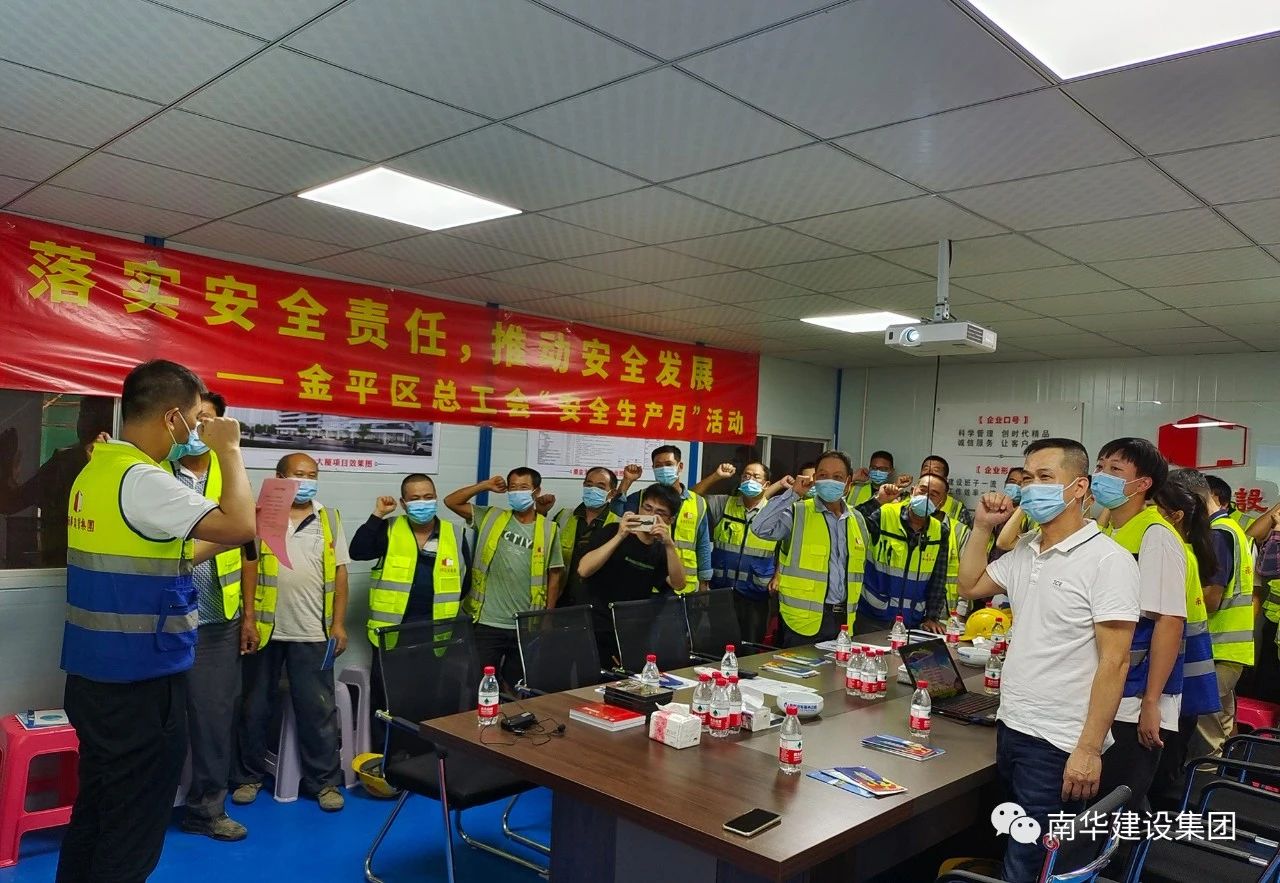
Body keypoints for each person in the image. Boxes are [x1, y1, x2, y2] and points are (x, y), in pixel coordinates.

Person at [58, 360, 255, 883]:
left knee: (96, 812)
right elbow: (241, 523)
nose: (198, 430)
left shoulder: (98, 470)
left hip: (93, 677)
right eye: (196, 419)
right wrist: (230, 450)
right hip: (140, 685)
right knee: (131, 832)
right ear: (173, 418)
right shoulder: (145, 480)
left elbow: (158, 556)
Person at [957, 437, 1139, 883]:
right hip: (1012, 726)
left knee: (1031, 866)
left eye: (1044, 477)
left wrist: (1089, 749)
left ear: (1078, 488)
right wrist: (980, 528)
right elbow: (970, 585)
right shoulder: (1027, 550)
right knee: (1008, 846)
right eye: (1027, 479)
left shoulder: (1108, 561)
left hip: (1058, 743)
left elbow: (1115, 662)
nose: (1031, 488)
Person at [163, 391, 257, 842]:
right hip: (162, 618)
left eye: (208, 420)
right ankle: (148, 809)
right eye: (193, 418)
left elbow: (251, 551)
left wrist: (249, 616)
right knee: (157, 718)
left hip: (218, 620)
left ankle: (206, 810)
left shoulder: (231, 474)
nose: (199, 428)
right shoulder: (155, 471)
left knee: (214, 719)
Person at [234, 453, 349, 813]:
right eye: (299, 474)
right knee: (254, 707)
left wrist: (338, 624)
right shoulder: (259, 516)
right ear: (279, 477)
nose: (307, 481)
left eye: (313, 475)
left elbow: (340, 574)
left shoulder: (329, 518)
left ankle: (324, 783)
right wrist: (248, 619)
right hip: (265, 630)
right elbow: (246, 565)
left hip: (314, 632)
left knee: (318, 711)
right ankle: (248, 777)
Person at [1092, 438, 1186, 812]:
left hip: (1135, 698)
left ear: (1143, 483)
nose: (1102, 476)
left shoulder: (1156, 535)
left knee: (1116, 804)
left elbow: (1169, 622)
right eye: (1100, 466)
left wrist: (1151, 702)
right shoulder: (1111, 531)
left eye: (1115, 469)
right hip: (1110, 689)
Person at [443, 467, 563, 685]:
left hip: (525, 624)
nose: (517, 492)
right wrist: (485, 485)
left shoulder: (549, 529)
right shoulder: (491, 516)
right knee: (480, 684)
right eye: (513, 487)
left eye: (523, 487)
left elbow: (554, 575)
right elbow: (451, 501)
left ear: (536, 491)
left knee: (518, 686)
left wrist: (548, 617)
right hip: (487, 622)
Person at [1146, 471, 1222, 807]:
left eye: (1152, 507)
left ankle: (1152, 834)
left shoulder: (1173, 554)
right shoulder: (1188, 551)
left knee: (1158, 779)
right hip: (1185, 682)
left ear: (1175, 516)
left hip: (1174, 682)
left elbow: (1170, 628)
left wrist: (1150, 699)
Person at [752, 451, 871, 646]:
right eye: (823, 475)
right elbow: (760, 528)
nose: (830, 481)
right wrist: (793, 494)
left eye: (837, 477)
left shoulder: (857, 519)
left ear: (848, 482)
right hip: (802, 621)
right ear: (814, 479)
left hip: (845, 621)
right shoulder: (797, 511)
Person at [577, 484, 688, 665]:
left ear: (670, 520)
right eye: (647, 508)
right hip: (593, 623)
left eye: (660, 513)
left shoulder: (661, 550)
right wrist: (620, 536)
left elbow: (678, 584)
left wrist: (669, 544)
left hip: (628, 629)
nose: (651, 516)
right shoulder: (613, 530)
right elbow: (584, 569)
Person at [0, 395, 114, 566]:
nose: (81, 422)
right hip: (65, 564)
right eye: (81, 414)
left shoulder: (67, 462)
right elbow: (10, 503)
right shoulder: (64, 461)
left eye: (86, 414)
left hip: (79, 563)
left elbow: (10, 503)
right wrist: (8, 469)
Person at [1185, 474, 1253, 759]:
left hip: (1215, 647)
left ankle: (1205, 782)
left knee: (1205, 736)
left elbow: (1211, 600)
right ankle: (1225, 779)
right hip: (1228, 649)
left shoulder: (1216, 534)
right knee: (1221, 725)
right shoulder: (1231, 529)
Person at [855, 474, 964, 633]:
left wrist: (931, 617)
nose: (926, 497)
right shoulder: (885, 514)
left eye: (933, 495)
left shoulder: (940, 531)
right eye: (923, 490)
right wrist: (878, 501)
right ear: (913, 491)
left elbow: (938, 579)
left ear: (941, 503)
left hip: (911, 621)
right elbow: (852, 523)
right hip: (871, 616)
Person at [693, 461, 778, 644]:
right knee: (719, 646)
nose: (750, 480)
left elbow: (786, 550)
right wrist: (716, 476)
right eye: (746, 475)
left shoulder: (774, 513)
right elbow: (692, 497)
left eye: (756, 477)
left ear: (767, 484)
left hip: (756, 594)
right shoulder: (724, 503)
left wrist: (778, 576)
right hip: (722, 592)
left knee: (750, 649)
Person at [614, 445, 712, 592]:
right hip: (651, 582)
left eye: (668, 464)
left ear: (680, 466)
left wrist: (704, 583)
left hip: (686, 584)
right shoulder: (642, 497)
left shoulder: (698, 503)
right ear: (653, 468)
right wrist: (627, 481)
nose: (663, 469)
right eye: (658, 466)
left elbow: (703, 544)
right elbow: (616, 512)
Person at [546, 467, 620, 609]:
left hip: (600, 603)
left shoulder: (618, 524)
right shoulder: (564, 515)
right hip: (563, 599)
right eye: (589, 485)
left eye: (600, 487)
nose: (592, 490)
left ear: (612, 493)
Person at [920, 454, 973, 527]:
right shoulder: (908, 498)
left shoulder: (958, 508)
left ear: (945, 479)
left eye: (936, 470)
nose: (929, 472)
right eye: (926, 469)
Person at [994, 467, 1037, 553]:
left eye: (1020, 484)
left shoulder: (1032, 515)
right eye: (1012, 482)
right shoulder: (993, 509)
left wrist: (1016, 514)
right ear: (1005, 484)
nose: (1015, 487)